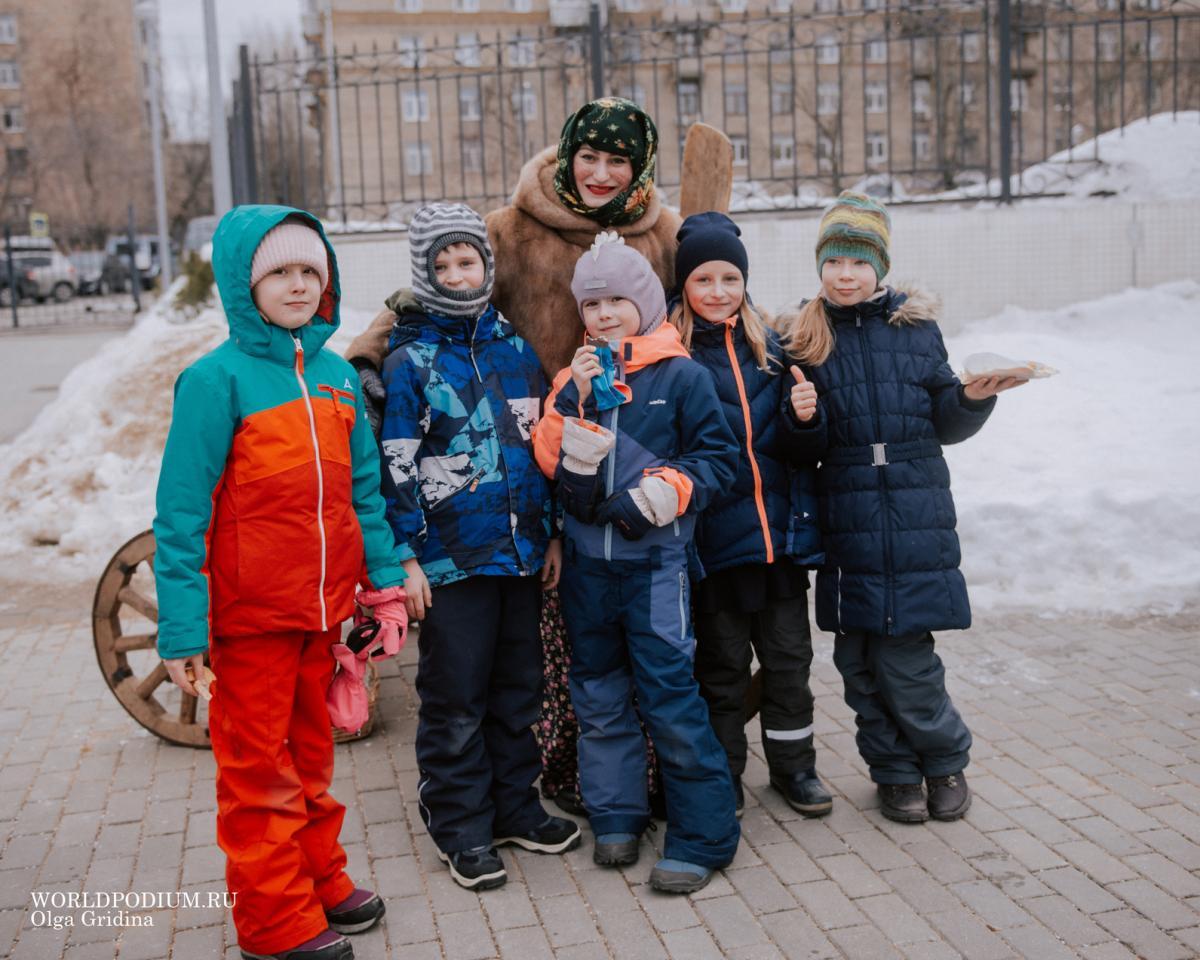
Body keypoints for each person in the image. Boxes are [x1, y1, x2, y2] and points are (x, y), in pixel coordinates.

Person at [348, 96, 690, 816]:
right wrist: (370, 355)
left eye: (617, 160)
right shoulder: (509, 231)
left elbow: (710, 299)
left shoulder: (662, 233)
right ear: (567, 158)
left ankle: (647, 779)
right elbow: (430, 292)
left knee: (622, 638)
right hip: (529, 456)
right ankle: (553, 776)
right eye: (588, 157)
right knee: (543, 650)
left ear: (638, 168)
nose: (601, 173)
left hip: (638, 454)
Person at [153, 206, 405, 960]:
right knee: (258, 773)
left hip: (321, 615)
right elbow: (180, 514)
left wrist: (383, 583)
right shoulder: (214, 381)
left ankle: (319, 879)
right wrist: (182, 630)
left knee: (311, 759)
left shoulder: (334, 379)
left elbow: (365, 492)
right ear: (243, 283)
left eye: (309, 271)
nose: (297, 286)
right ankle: (273, 922)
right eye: (278, 273)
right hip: (249, 619)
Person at [775, 192, 1025, 824]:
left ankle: (944, 763)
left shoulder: (915, 330)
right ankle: (892, 774)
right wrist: (802, 420)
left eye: (859, 261)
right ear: (821, 266)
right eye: (835, 261)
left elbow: (945, 418)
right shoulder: (804, 337)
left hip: (914, 510)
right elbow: (807, 446)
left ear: (880, 267)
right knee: (858, 663)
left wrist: (971, 396)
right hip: (848, 517)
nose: (846, 274)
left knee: (907, 660)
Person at [378, 202, 580, 891]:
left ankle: (515, 805)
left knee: (516, 688)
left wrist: (550, 533)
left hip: (521, 554)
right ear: (424, 273)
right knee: (456, 694)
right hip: (451, 562)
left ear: (486, 266)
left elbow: (539, 448)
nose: (458, 275)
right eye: (443, 265)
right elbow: (397, 464)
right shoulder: (411, 360)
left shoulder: (514, 349)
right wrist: (407, 558)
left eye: (467, 261)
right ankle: (460, 822)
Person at [533, 232, 741, 893]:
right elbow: (548, 457)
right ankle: (616, 813)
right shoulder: (574, 377)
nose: (604, 315)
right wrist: (573, 401)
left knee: (670, 700)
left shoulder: (682, 375)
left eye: (618, 300)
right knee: (598, 698)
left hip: (655, 571)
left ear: (645, 302)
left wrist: (665, 491)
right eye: (593, 305)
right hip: (590, 573)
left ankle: (703, 837)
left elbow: (717, 460)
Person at [667, 212, 832, 820]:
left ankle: (795, 769)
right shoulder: (673, 357)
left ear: (745, 281)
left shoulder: (774, 350)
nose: (717, 291)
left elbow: (805, 451)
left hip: (779, 546)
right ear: (684, 285)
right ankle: (725, 777)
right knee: (723, 673)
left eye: (729, 277)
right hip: (715, 550)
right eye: (703, 279)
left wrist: (805, 419)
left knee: (790, 666)